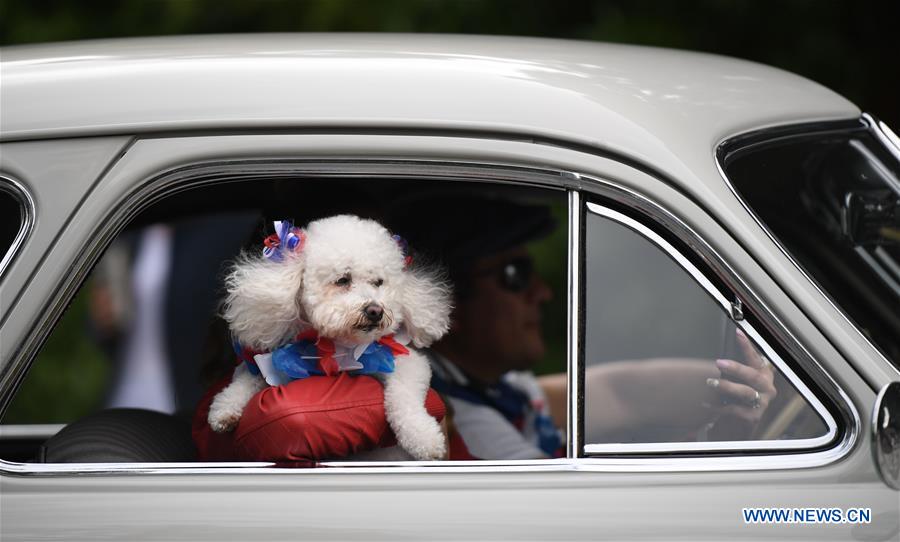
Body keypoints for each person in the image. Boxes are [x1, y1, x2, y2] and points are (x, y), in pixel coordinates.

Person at [192, 195, 776, 462]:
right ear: (458, 298)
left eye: (379, 284)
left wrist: (736, 386)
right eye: (515, 274)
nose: (543, 292)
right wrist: (726, 437)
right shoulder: (466, 415)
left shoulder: (500, 391)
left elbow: (619, 390)